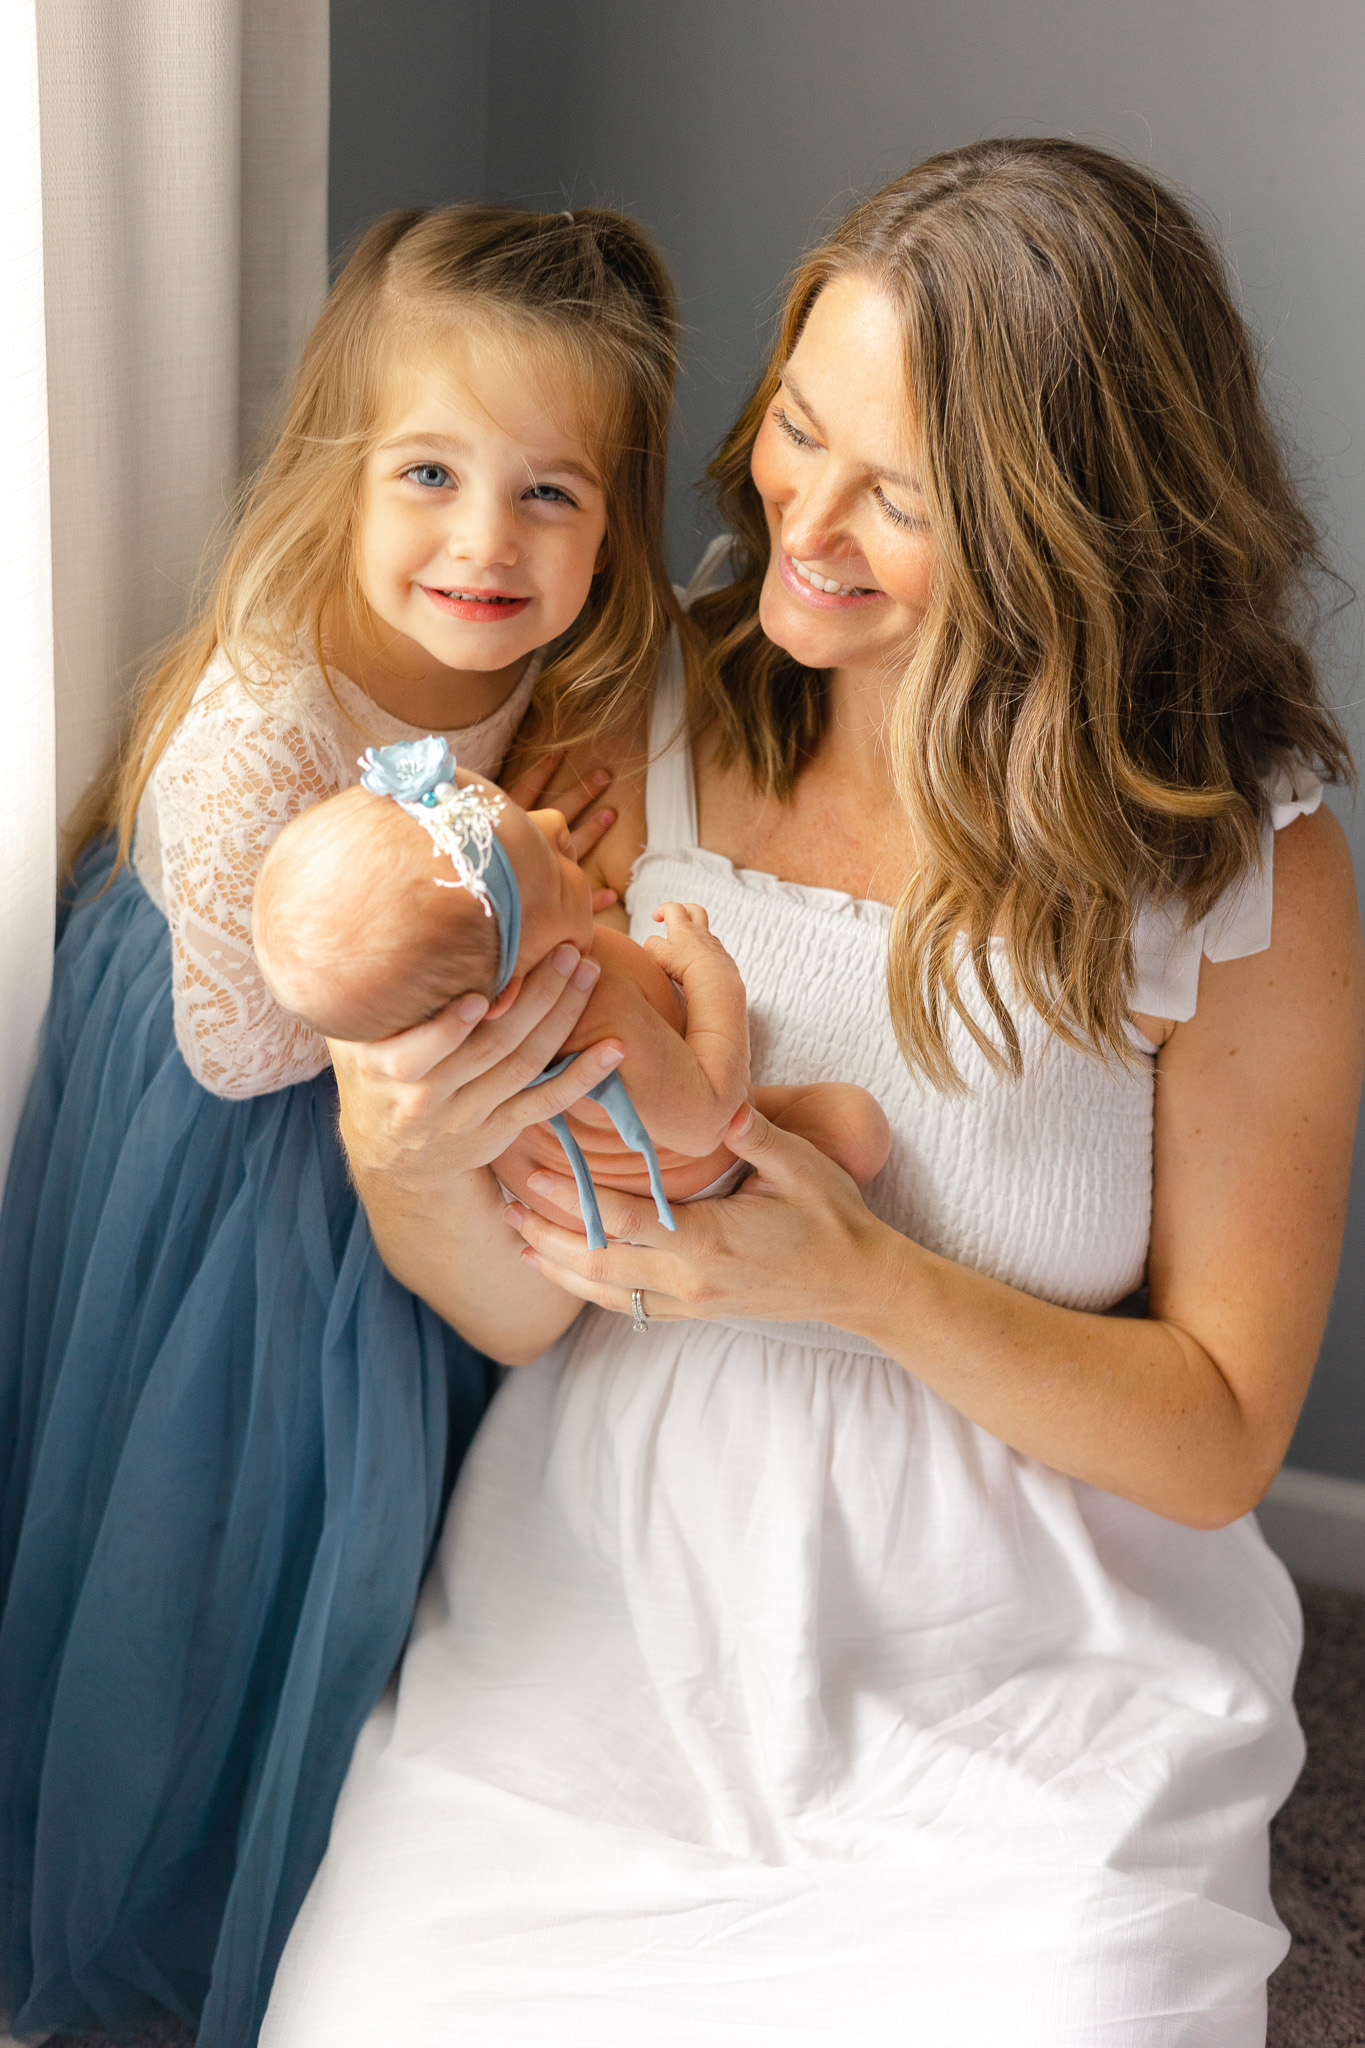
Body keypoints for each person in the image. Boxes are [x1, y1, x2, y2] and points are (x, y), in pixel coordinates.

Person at [263, 140, 1365, 2047]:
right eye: (795, 425)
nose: (805, 520)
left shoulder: (1240, 861)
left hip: (1028, 1643)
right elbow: (524, 1298)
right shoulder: (633, 706)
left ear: (1067, 533)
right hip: (614, 1596)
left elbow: (1215, 1436)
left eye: (904, 498)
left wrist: (861, 1277)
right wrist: (409, 1151)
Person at [0, 202, 686, 2048]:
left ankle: (377, 1857)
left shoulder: (591, 684)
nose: (487, 540)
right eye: (435, 472)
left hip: (407, 1083)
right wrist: (467, 979)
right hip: (239, 1139)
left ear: (615, 518)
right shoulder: (255, 712)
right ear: (343, 466)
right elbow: (239, 1044)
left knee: (423, 1524)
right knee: (244, 1505)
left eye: (553, 493)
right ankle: (187, 1873)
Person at [252, 749, 890, 1241]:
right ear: (509, 993)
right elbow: (709, 1120)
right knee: (854, 1126)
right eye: (556, 876)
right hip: (693, 1183)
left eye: (521, 814)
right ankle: (754, 1233)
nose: (557, 823)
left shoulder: (501, 1002)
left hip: (571, 1189)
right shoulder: (596, 1011)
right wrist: (711, 973)